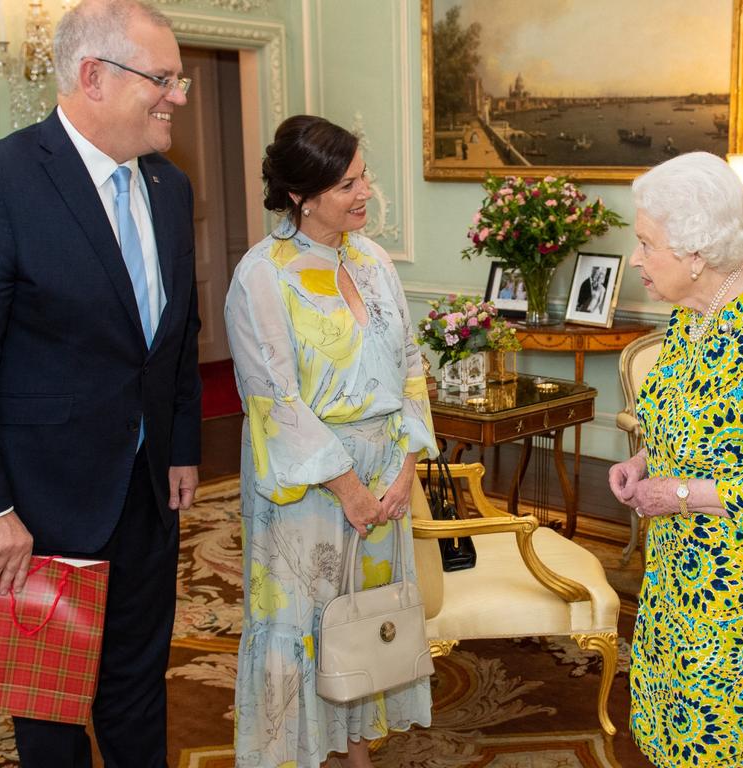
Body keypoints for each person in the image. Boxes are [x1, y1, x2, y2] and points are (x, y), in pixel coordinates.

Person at [0, 1, 201, 765]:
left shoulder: (169, 190)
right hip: (38, 507)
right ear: (93, 77)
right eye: (164, 78)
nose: (179, 95)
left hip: (146, 492)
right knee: (47, 707)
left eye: (179, 79)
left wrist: (179, 442)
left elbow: (176, 337)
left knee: (139, 683)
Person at [225, 115, 438, 768]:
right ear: (300, 194)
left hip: (384, 478)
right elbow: (275, 402)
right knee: (306, 621)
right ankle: (301, 752)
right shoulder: (263, 276)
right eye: (347, 184)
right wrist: (347, 487)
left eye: (363, 176)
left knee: (364, 617)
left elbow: (409, 364)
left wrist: (404, 471)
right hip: (310, 486)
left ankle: (355, 748)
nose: (365, 192)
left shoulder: (373, 260)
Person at [608, 152, 743, 768]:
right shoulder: (693, 315)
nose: (636, 259)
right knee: (676, 714)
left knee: (728, 727)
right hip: (683, 558)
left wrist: (677, 495)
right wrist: (649, 463)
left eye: (647, 244)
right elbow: (698, 422)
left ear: (696, 253)